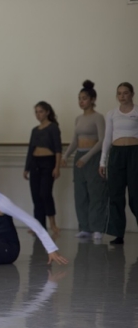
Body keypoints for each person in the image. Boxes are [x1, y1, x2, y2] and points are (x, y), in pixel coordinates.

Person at [61, 80, 107, 240]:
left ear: (93, 99)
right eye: (79, 98)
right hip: (79, 157)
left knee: (95, 193)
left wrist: (87, 158)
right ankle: (85, 227)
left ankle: (97, 228)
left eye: (84, 98)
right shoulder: (78, 119)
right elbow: (74, 141)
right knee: (80, 193)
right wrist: (65, 156)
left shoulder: (98, 117)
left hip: (92, 157)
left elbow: (102, 141)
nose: (81, 101)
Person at [99, 82, 138, 245]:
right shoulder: (111, 114)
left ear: (132, 94)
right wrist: (102, 161)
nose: (122, 96)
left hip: (135, 153)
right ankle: (118, 233)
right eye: (119, 93)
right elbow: (107, 138)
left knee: (136, 196)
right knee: (115, 195)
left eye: (126, 93)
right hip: (116, 155)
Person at [23, 101, 62, 233]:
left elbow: (58, 149)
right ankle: (38, 225)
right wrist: (26, 168)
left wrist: (57, 167)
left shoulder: (53, 128)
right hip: (35, 163)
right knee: (35, 195)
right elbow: (30, 149)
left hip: (48, 162)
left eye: (41, 111)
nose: (38, 115)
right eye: (36, 112)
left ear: (47, 112)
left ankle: (53, 224)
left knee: (45, 193)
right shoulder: (34, 130)